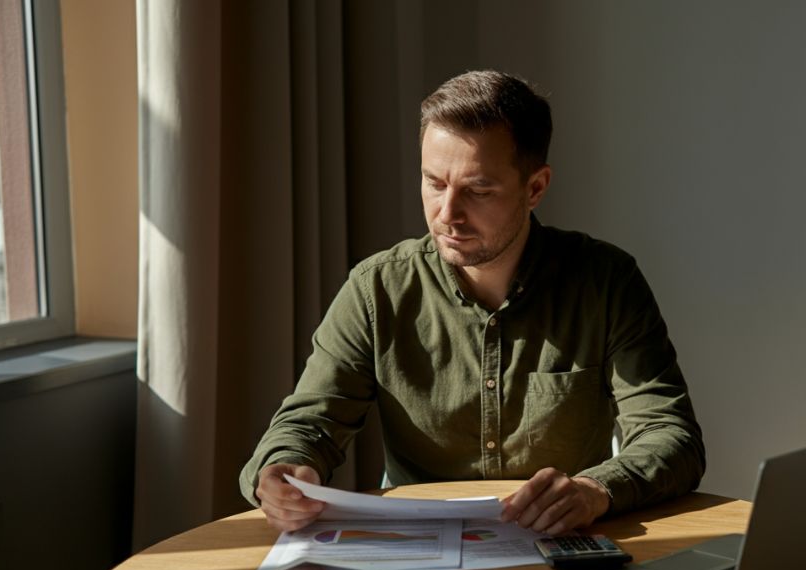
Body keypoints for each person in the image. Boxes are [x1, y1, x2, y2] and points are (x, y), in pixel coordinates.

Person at [239, 70, 705, 535]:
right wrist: (285, 467)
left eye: (478, 191)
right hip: (416, 552)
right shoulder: (376, 289)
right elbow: (308, 421)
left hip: (561, 546)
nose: (447, 214)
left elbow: (671, 436)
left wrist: (593, 489)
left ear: (535, 188)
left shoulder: (605, 282)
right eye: (434, 183)